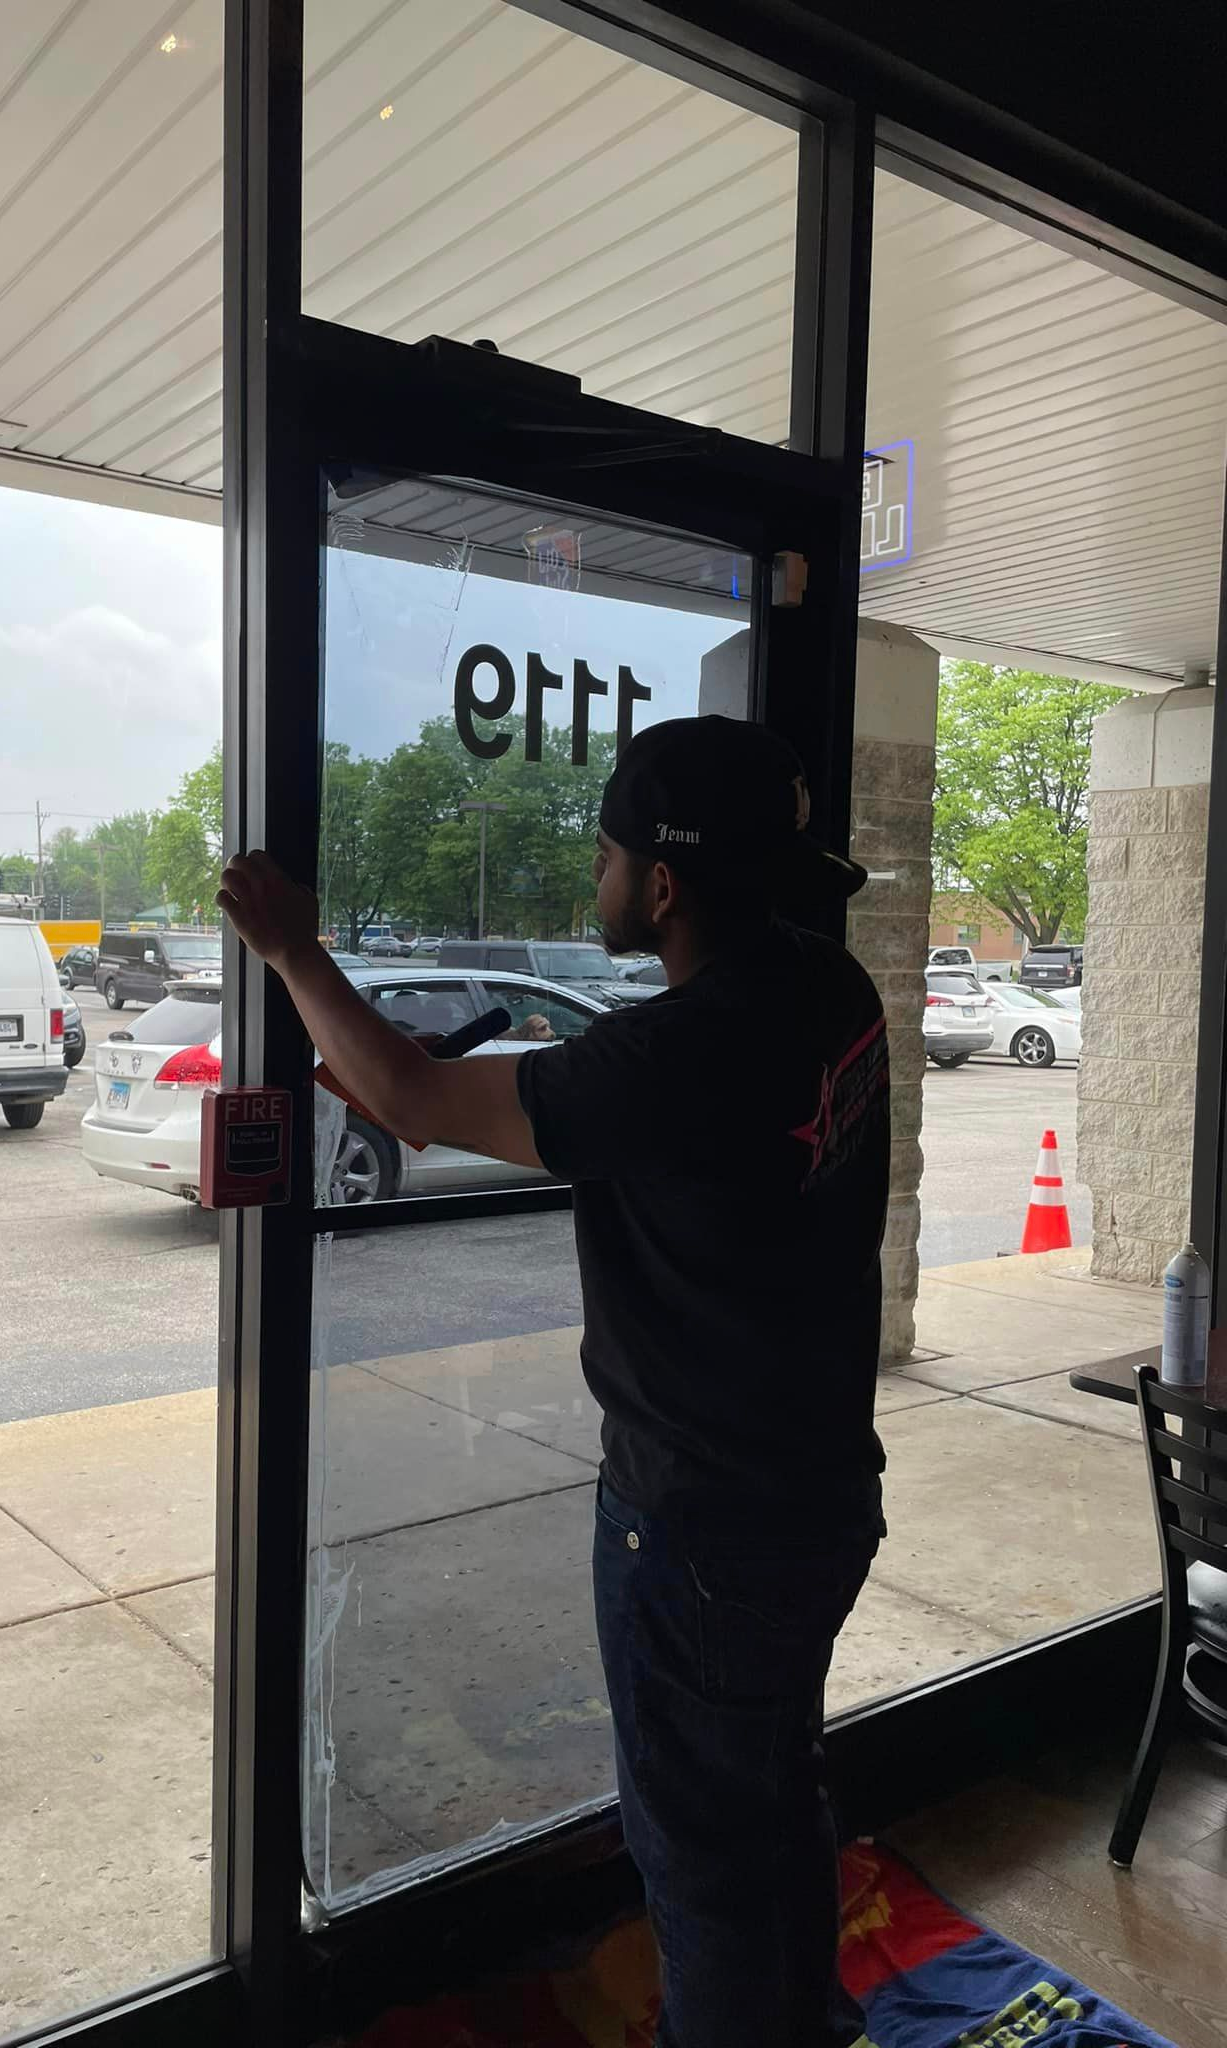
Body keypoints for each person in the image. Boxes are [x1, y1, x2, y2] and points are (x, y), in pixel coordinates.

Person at [219, 714, 890, 2048]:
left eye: (605, 857)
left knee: (701, 1853)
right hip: (817, 1490)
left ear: (663, 884)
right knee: (770, 1794)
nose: (597, 878)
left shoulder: (676, 1054)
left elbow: (413, 1097)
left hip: (703, 1522)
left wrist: (293, 948)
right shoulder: (829, 986)